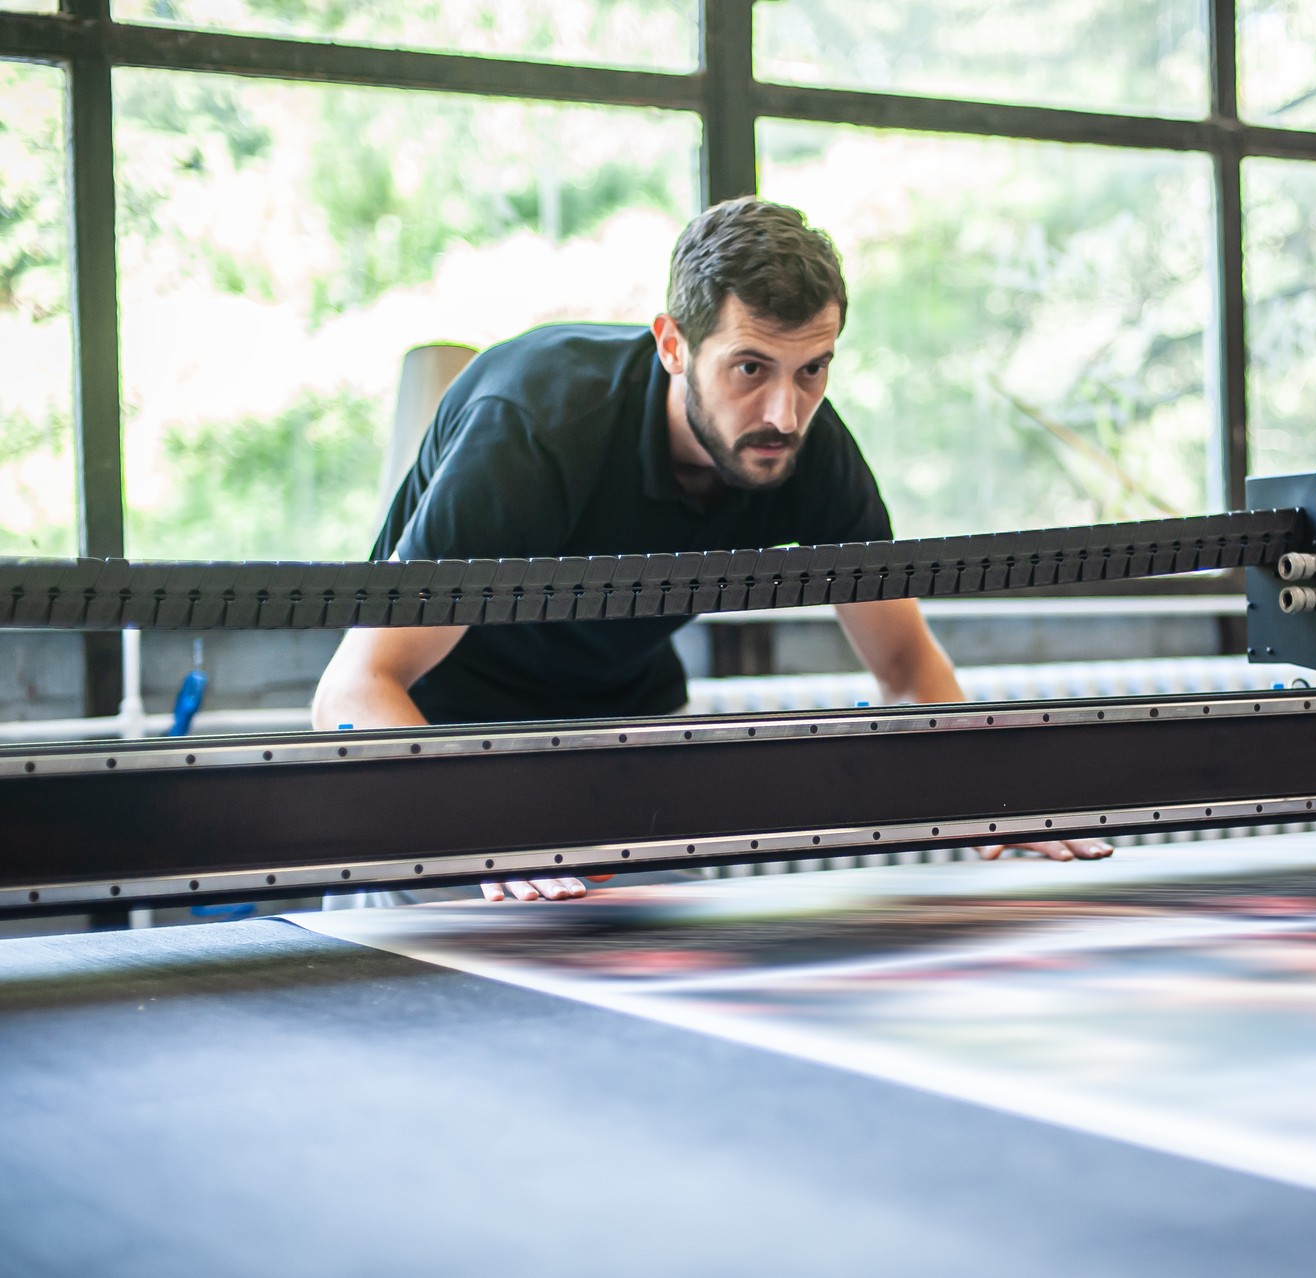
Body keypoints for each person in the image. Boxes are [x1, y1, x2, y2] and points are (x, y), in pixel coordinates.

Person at [313, 197, 1112, 901]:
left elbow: (906, 670)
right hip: (439, 748)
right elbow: (352, 691)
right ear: (672, 345)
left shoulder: (806, 449)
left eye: (813, 370)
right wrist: (474, 826)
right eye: (750, 368)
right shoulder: (532, 428)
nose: (784, 412)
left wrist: (1002, 790)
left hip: (620, 742)